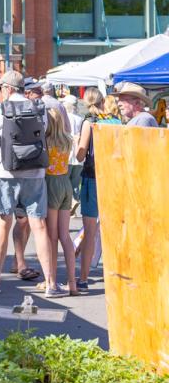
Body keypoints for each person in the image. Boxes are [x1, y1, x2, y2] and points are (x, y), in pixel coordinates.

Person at [0, 72, 59, 296]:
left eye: (1, 88)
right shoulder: (39, 108)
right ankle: (50, 284)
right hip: (35, 174)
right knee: (39, 227)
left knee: (3, 225)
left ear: (8, 88)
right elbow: (43, 135)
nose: (0, 91)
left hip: (6, 173)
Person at [74, 86, 114, 289]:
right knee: (113, 229)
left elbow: (81, 154)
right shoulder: (114, 121)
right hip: (114, 179)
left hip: (92, 178)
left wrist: (75, 145)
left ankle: (83, 278)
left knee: (90, 231)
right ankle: (115, 274)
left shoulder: (89, 123)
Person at [44, 108, 79, 296]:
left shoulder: (46, 142)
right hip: (65, 182)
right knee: (65, 236)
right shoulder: (67, 140)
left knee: (51, 236)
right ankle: (72, 282)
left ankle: (52, 280)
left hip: (51, 183)